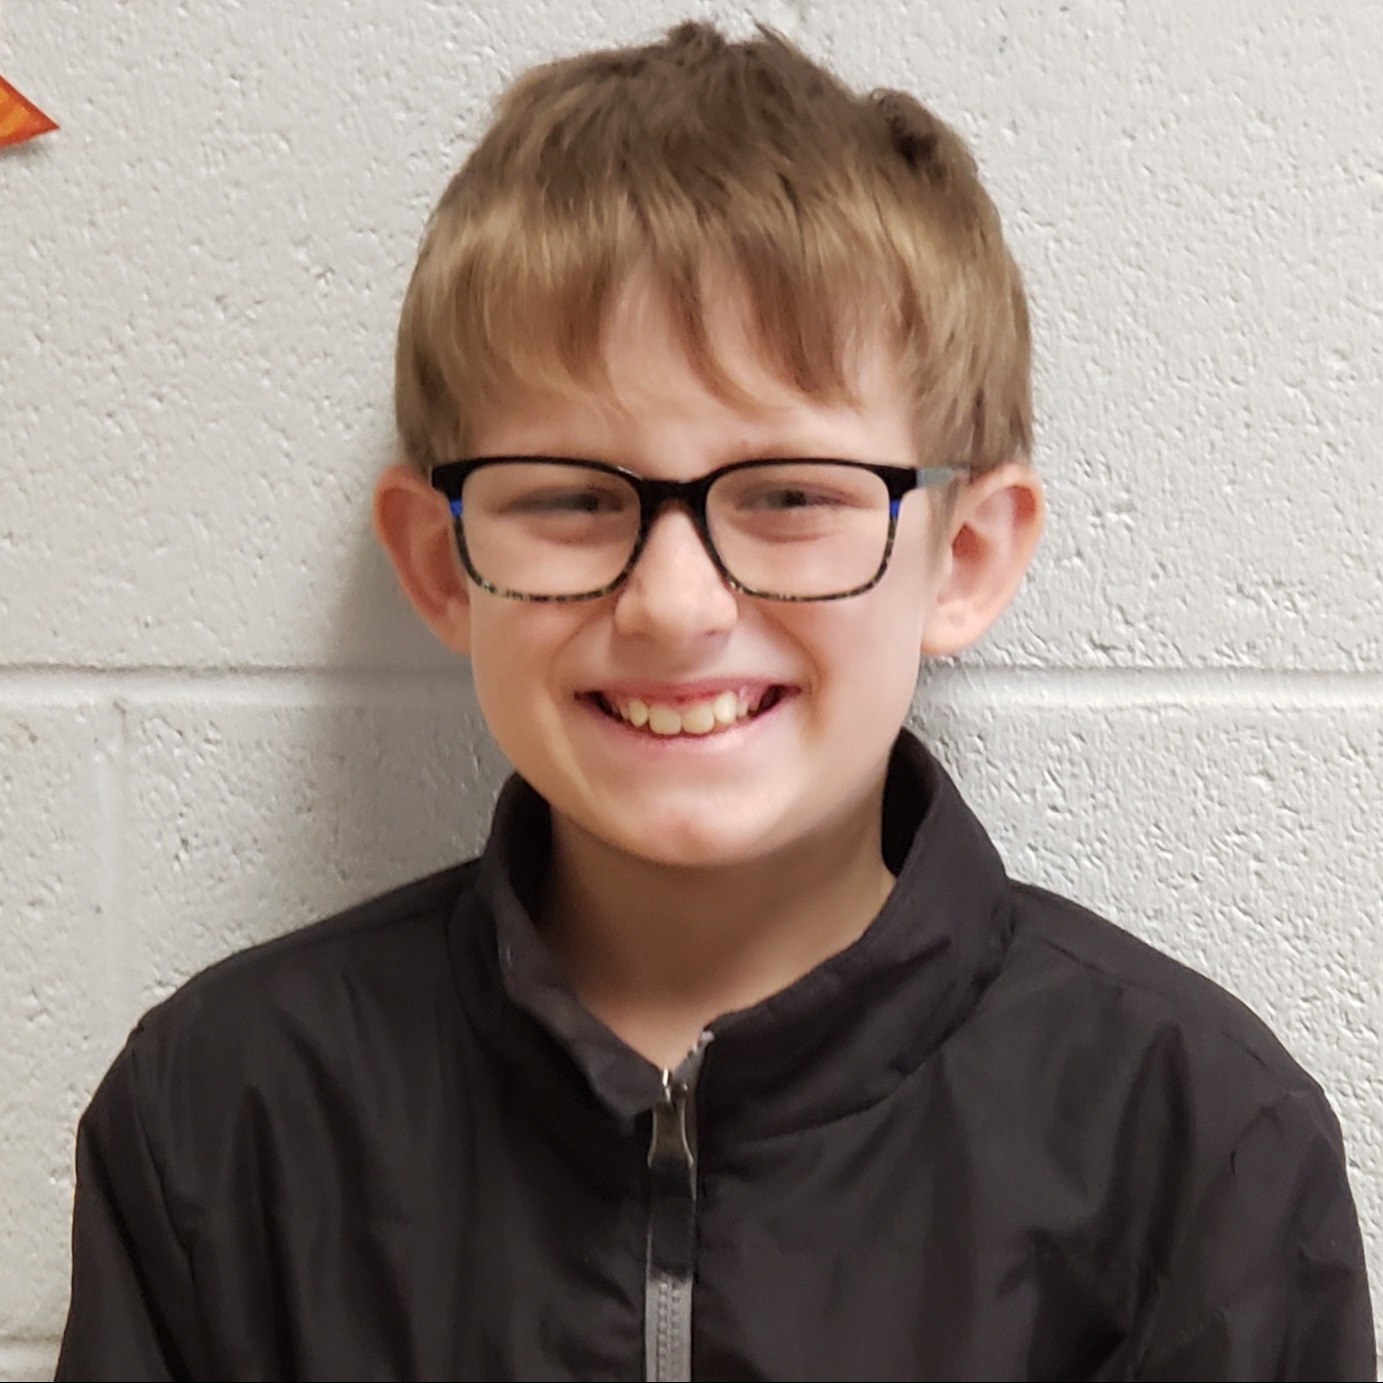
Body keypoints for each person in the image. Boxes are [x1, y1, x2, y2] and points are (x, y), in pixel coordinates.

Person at [56, 21, 1373, 1382]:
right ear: (443, 563)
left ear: (964, 558)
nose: (675, 606)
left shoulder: (1198, 1145)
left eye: (792, 495)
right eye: (571, 496)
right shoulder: (223, 1123)